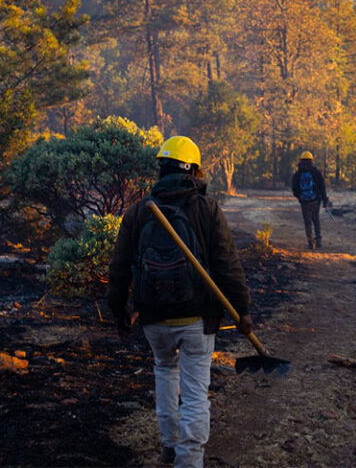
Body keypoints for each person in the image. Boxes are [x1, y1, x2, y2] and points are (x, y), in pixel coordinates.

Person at [106, 136, 253, 468]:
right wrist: (242, 311)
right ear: (195, 171)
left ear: (162, 168)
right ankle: (188, 461)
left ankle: (169, 444)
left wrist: (119, 313)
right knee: (195, 392)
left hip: (154, 318)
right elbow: (228, 264)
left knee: (164, 371)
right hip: (197, 319)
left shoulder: (138, 212)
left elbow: (118, 270)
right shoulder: (208, 209)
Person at [291, 151, 330, 249]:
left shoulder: (297, 174)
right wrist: (324, 199)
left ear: (301, 160)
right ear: (312, 160)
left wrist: (300, 197)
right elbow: (322, 186)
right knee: (316, 220)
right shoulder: (315, 172)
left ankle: (310, 242)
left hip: (304, 202)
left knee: (307, 222)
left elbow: (294, 188)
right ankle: (319, 241)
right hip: (315, 201)